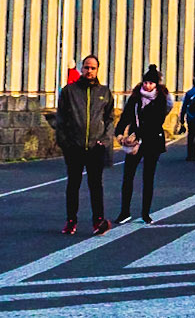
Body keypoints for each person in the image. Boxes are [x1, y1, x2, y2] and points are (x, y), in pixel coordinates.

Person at [56, 53, 115, 236]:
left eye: (93, 68)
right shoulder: (69, 91)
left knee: (96, 184)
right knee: (73, 184)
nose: (89, 71)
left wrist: (105, 140)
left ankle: (98, 221)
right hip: (74, 146)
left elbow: (110, 119)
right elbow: (61, 119)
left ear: (97, 70)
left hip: (95, 146)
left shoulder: (104, 92)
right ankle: (71, 220)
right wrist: (65, 142)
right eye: (86, 67)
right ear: (81, 69)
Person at [116, 65, 172, 225]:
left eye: (151, 83)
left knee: (148, 177)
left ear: (156, 85)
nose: (147, 85)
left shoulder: (161, 99)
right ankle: (124, 212)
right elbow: (125, 116)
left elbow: (156, 121)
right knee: (128, 176)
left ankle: (145, 213)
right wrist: (119, 133)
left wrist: (137, 135)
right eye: (146, 82)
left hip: (152, 141)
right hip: (134, 142)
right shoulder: (135, 98)